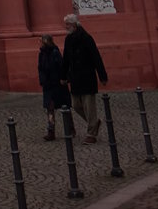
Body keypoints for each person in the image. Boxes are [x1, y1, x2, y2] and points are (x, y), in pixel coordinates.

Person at [60, 13, 108, 142]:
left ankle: (91, 134)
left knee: (89, 105)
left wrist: (102, 76)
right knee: (76, 105)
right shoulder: (68, 39)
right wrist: (63, 76)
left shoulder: (87, 38)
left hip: (87, 77)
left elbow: (96, 57)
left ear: (75, 25)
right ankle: (94, 122)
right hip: (75, 77)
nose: (66, 27)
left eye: (68, 24)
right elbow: (65, 59)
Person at [37, 33, 70, 140]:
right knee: (50, 108)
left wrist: (63, 79)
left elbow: (61, 66)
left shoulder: (55, 52)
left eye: (42, 40)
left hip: (57, 84)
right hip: (48, 85)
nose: (41, 42)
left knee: (65, 107)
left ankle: (70, 128)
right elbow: (40, 68)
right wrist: (42, 80)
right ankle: (51, 131)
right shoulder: (41, 53)